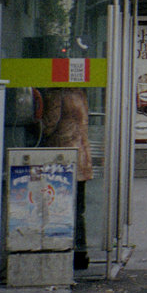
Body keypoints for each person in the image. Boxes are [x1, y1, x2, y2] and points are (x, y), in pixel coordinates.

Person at [41, 88, 93, 270]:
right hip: (81, 157)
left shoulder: (56, 94)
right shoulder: (80, 93)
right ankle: (80, 254)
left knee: (59, 208)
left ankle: (61, 251)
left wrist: (35, 120)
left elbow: (48, 126)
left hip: (61, 158)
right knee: (78, 210)